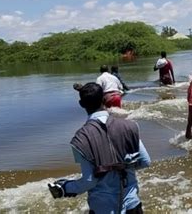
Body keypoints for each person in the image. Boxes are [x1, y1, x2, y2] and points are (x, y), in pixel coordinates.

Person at [48, 82, 151, 213]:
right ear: (104, 99)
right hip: (132, 205)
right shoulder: (130, 126)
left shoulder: (80, 139)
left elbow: (89, 181)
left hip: (103, 208)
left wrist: (65, 188)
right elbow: (145, 161)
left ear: (81, 104)